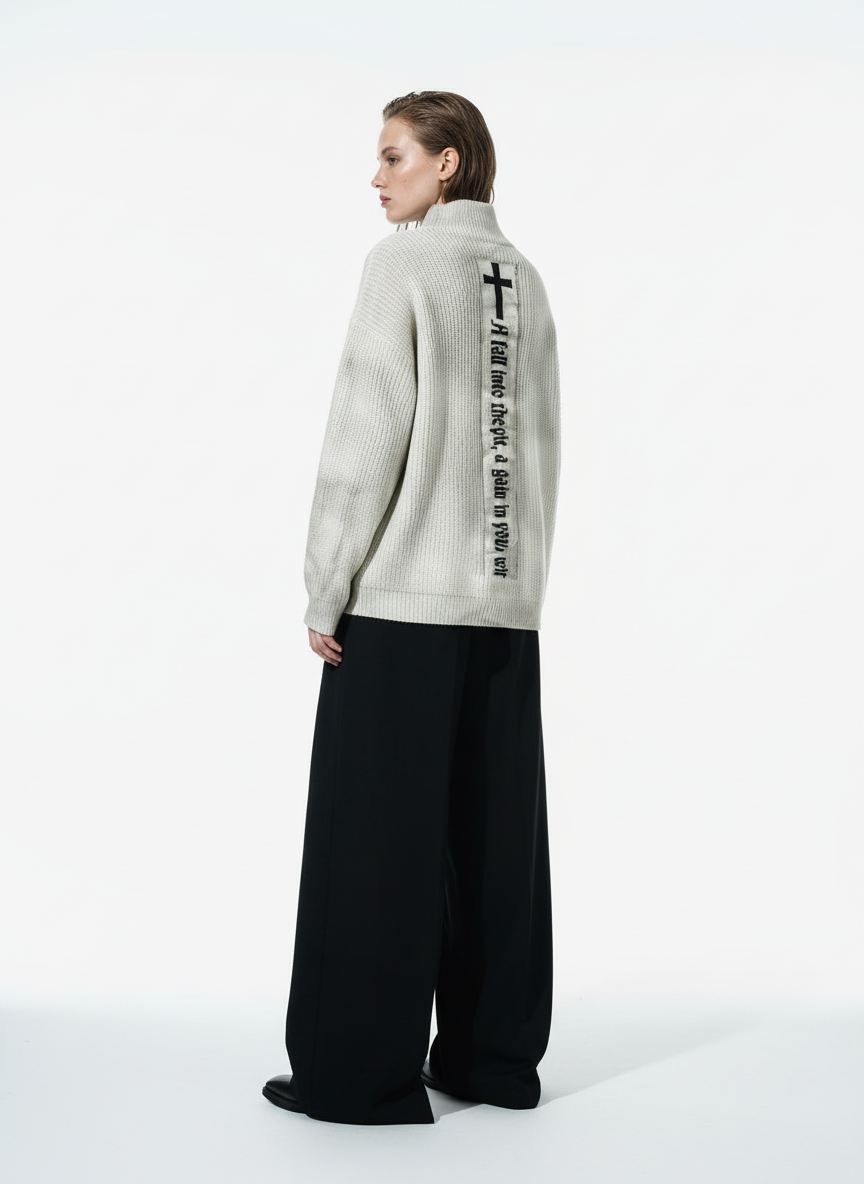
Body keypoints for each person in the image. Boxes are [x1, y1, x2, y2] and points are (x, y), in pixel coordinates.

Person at [262, 90, 561, 1126]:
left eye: (394, 155)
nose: (377, 176)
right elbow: (539, 448)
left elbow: (364, 437)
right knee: (495, 844)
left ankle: (357, 1075)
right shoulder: (524, 279)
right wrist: (519, 588)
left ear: (448, 164)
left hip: (398, 605)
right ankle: (493, 1061)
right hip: (504, 606)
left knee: (373, 842)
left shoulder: (402, 267)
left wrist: (327, 583)